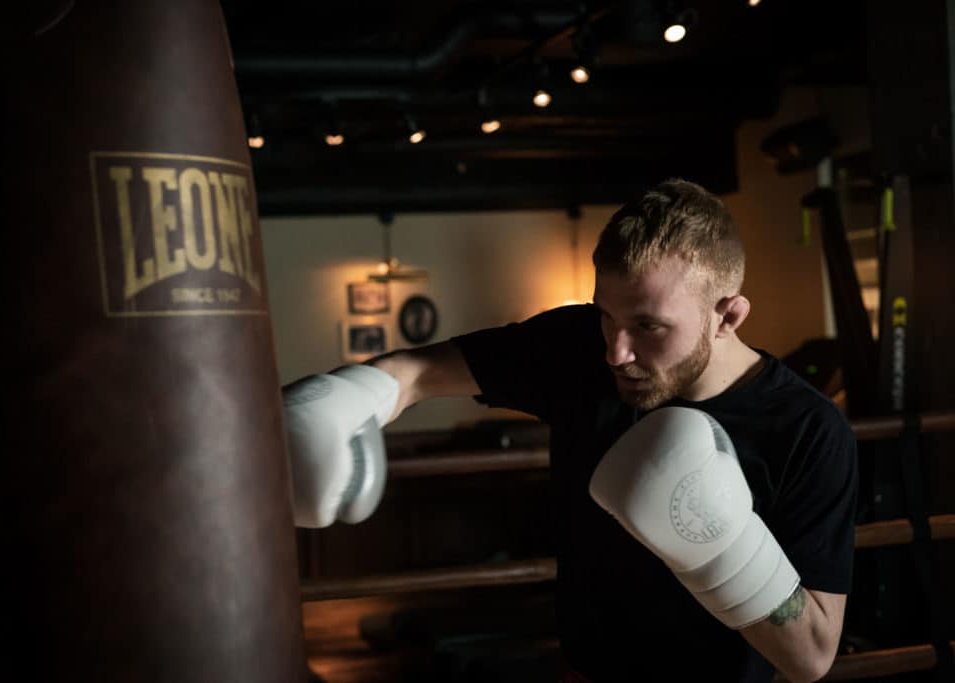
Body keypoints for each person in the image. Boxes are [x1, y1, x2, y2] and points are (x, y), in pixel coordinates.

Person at [282, 178, 859, 683]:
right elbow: (416, 373)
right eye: (606, 315)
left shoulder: (808, 430)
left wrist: (724, 545)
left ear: (728, 316)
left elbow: (811, 656)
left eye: (647, 325)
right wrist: (340, 402)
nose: (616, 350)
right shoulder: (577, 348)